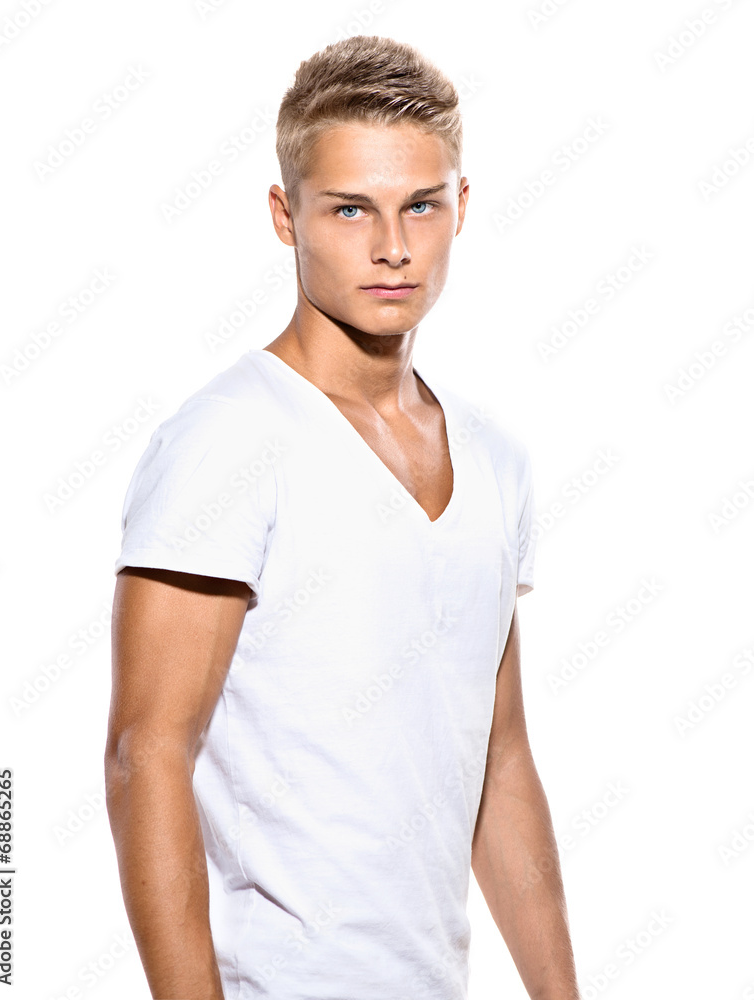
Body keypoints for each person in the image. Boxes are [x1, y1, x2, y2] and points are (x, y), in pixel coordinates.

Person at [105, 33, 581, 1000]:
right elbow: (145, 753)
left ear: (462, 209)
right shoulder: (228, 440)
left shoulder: (494, 461)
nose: (393, 246)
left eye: (422, 205)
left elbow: (501, 760)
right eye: (350, 208)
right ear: (287, 216)